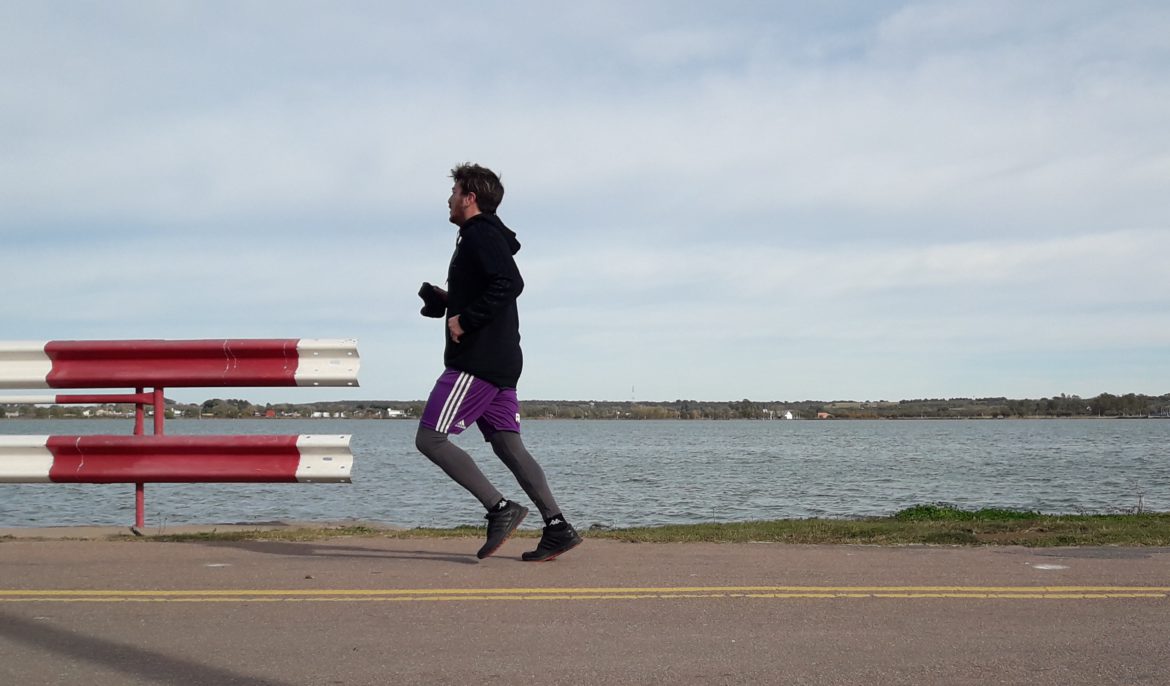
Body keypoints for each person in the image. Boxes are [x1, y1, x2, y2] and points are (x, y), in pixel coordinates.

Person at [415, 162, 582, 562]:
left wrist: (465, 319)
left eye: (454, 191)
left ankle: (499, 508)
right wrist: (447, 301)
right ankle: (557, 526)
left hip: (477, 362)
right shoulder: (483, 237)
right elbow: (492, 287)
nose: (449, 199)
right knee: (509, 447)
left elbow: (510, 283)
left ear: (470, 198)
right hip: (501, 361)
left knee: (431, 439)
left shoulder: (479, 234)